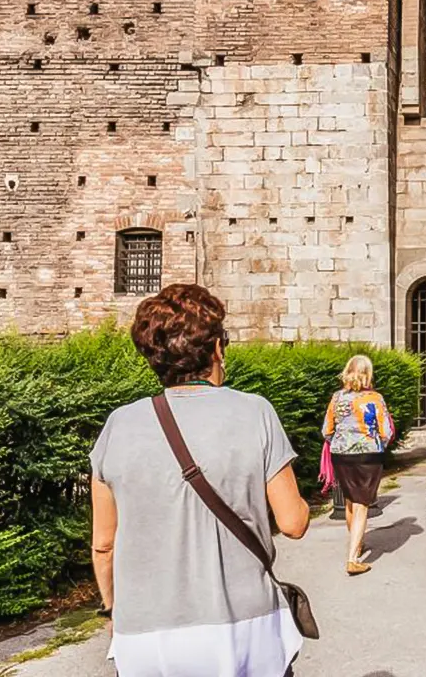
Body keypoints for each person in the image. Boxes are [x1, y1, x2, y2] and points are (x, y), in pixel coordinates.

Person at [89, 284, 310, 677]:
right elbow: (293, 523)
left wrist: (112, 609)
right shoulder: (255, 412)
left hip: (145, 635)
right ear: (217, 349)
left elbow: (104, 544)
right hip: (243, 627)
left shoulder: (118, 425)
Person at [322, 355, 395, 576]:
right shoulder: (375, 398)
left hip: (341, 453)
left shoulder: (337, 398)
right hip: (368, 455)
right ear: (368, 374)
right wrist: (375, 444)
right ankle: (353, 558)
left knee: (350, 501)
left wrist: (340, 441)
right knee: (363, 502)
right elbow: (386, 431)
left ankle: (357, 541)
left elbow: (326, 430)